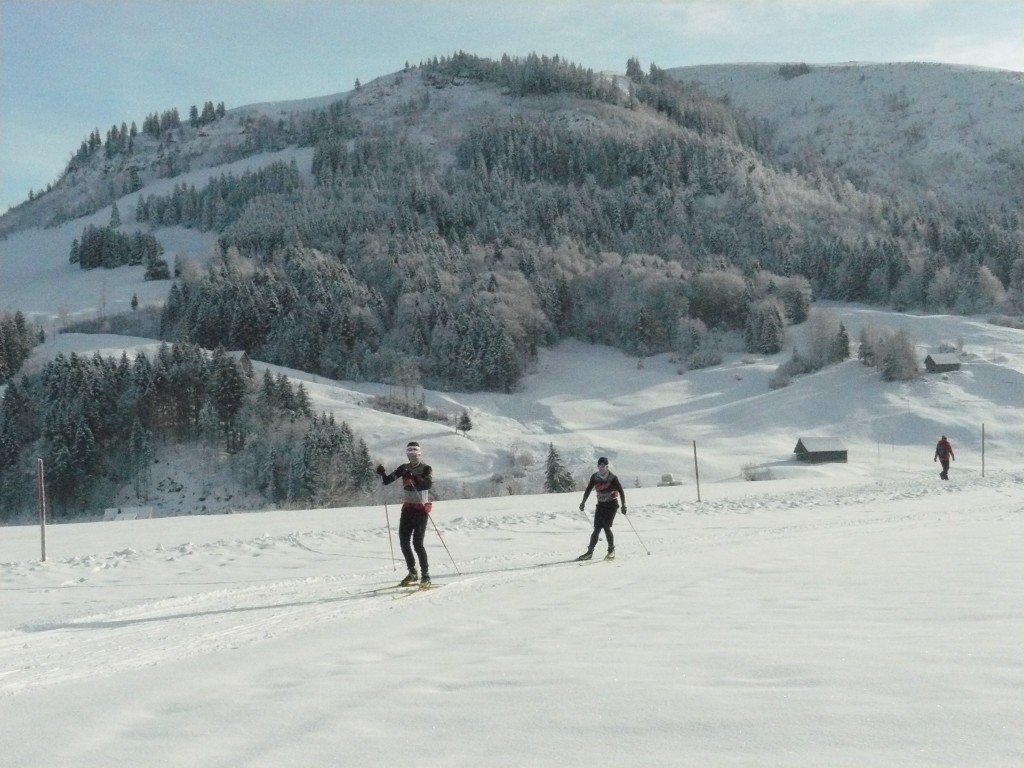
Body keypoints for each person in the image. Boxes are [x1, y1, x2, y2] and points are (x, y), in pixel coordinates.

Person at [376, 441, 433, 585]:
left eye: (414, 454)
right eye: (409, 454)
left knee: (417, 543)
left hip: (421, 509)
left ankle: (425, 575)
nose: (412, 457)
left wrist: (413, 477)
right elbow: (387, 481)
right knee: (403, 541)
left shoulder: (426, 468)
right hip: (408, 509)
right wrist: (382, 473)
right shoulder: (403, 468)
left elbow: (427, 484)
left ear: (419, 454)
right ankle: (412, 572)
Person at [577, 457, 626, 561]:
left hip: (611, 505)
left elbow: (621, 491)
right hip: (601, 506)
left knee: (606, 527)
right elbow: (588, 490)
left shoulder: (612, 477)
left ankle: (611, 550)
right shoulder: (595, 477)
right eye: (599, 466)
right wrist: (583, 502)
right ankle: (589, 552)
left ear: (607, 467)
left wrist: (623, 505)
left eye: (603, 466)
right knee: (597, 529)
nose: (601, 468)